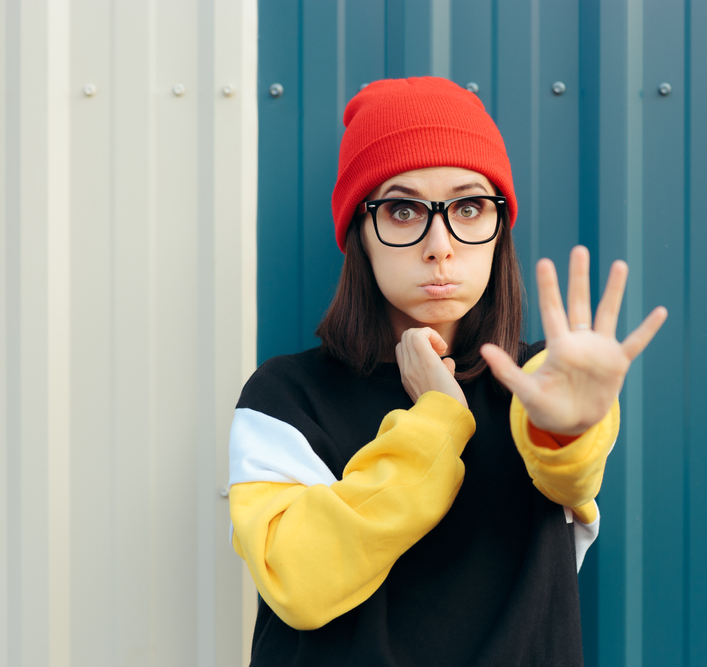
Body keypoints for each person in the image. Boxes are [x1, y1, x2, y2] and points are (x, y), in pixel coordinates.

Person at [228, 77, 667, 667]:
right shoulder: (285, 396)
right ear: (361, 230)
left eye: (468, 207)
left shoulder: (538, 382)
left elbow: (568, 474)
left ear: (498, 229)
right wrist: (436, 419)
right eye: (404, 210)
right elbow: (299, 583)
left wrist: (567, 430)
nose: (440, 244)